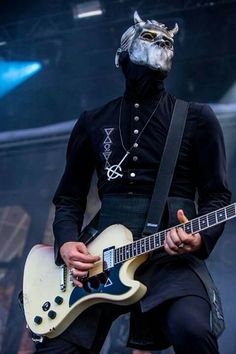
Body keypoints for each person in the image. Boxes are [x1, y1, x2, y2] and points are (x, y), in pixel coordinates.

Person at [35, 11, 231, 354]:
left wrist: (198, 237)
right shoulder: (93, 122)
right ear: (121, 56)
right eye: (148, 38)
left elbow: (217, 196)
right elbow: (69, 199)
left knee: (193, 331)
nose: (161, 43)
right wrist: (66, 243)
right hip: (99, 262)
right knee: (56, 348)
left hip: (170, 259)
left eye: (166, 40)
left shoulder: (198, 118)